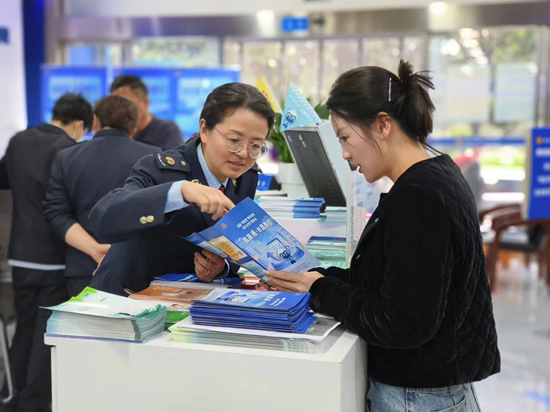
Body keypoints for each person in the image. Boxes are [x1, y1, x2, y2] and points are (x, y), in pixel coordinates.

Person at [266, 61, 500, 412]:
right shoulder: (437, 173)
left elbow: (403, 323)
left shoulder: (418, 195)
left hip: (417, 397)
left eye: (345, 137)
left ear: (382, 125)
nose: (345, 154)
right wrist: (318, 278)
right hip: (436, 391)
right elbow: (394, 282)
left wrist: (320, 290)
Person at [88, 83, 274, 296]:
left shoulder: (246, 178)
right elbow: (102, 218)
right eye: (234, 140)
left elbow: (234, 245)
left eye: (256, 145)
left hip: (187, 303)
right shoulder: (162, 169)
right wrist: (180, 192)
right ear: (204, 130)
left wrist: (221, 267)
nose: (243, 153)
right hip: (129, 298)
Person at [0, 94, 93, 412]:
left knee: (24, 327)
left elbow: (3, 181)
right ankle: (34, 403)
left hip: (19, 254)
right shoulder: (69, 149)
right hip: (54, 256)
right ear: (79, 125)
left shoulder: (18, 141)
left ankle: (9, 396)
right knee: (46, 330)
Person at [43, 95, 161, 297]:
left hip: (82, 267)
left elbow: (56, 213)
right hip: (136, 268)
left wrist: (94, 249)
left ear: (95, 121)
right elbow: (159, 211)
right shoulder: (152, 157)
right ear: (133, 126)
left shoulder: (67, 157)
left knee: (82, 327)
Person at [110, 75, 183, 150]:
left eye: (126, 104)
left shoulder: (167, 131)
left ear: (145, 102)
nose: (120, 111)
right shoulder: (115, 132)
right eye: (115, 106)